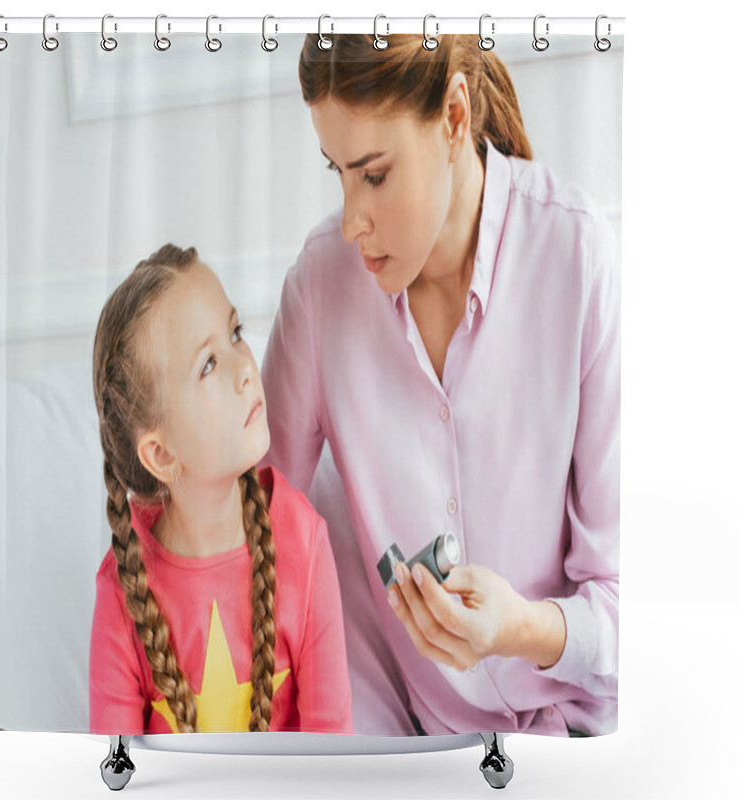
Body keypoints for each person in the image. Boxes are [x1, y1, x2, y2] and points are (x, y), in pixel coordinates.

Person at [260, 35, 619, 738]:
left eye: (374, 174)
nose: (351, 218)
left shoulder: (578, 256)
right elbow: (250, 530)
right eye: (337, 172)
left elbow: (635, 612)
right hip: (430, 751)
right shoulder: (323, 287)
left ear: (455, 118)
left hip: (585, 739)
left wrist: (520, 627)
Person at [89, 244, 352, 735]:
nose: (246, 368)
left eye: (235, 333)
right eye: (208, 364)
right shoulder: (123, 592)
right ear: (161, 455)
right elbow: (114, 776)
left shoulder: (304, 542)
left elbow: (334, 760)